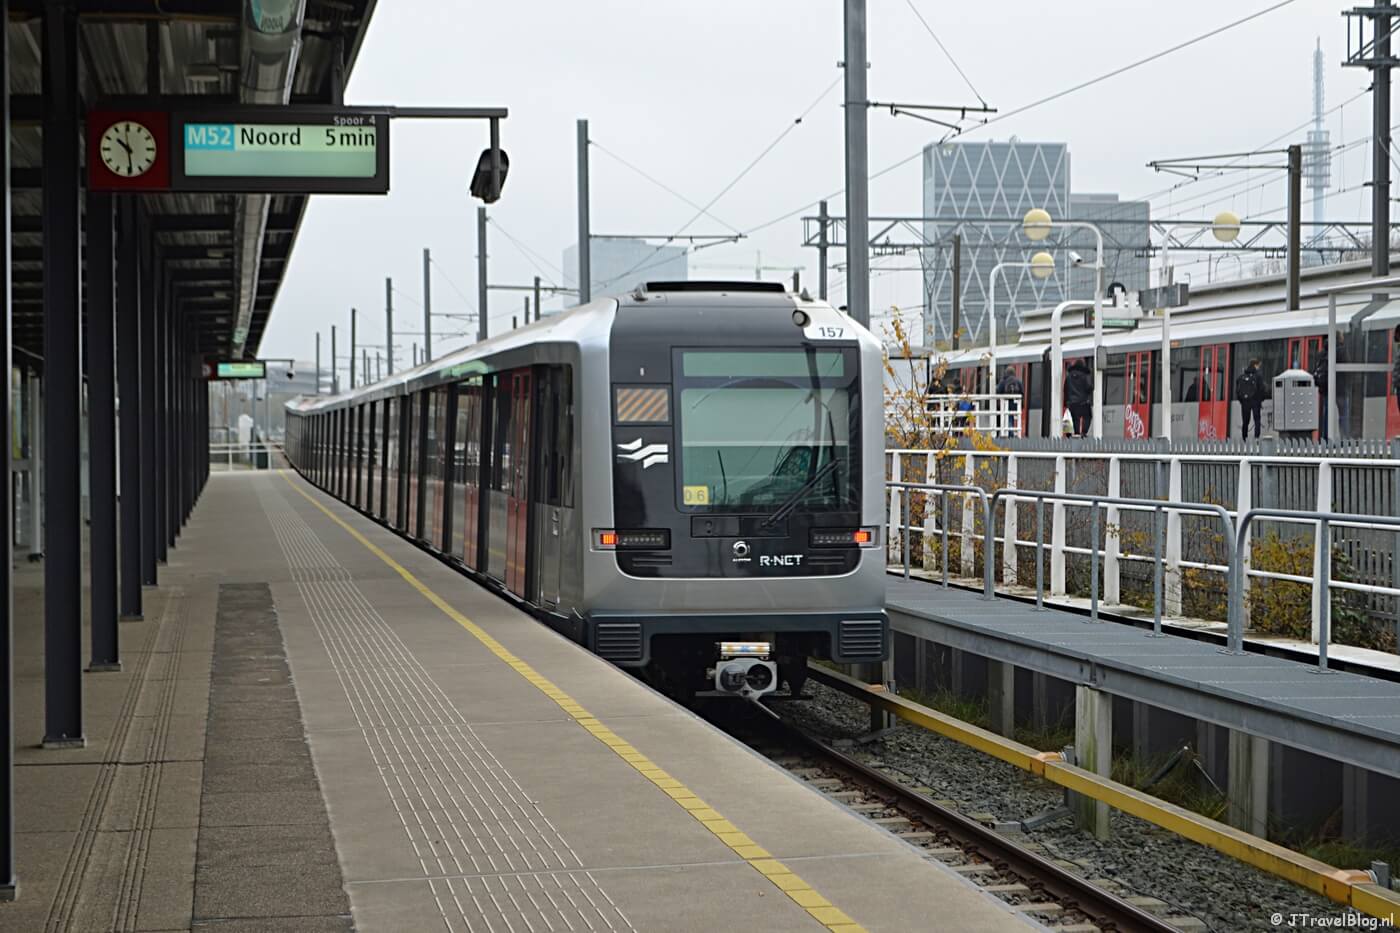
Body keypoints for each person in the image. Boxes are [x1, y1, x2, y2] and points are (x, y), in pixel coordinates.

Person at [1234, 358, 1265, 441]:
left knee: (1245, 421)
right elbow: (1262, 389)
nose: (1259, 367)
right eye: (1258, 365)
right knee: (1257, 420)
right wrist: (1260, 400)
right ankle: (1256, 438)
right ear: (1255, 365)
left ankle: (1244, 438)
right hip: (1255, 401)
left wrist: (1242, 400)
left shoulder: (1242, 377)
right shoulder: (1258, 376)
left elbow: (1237, 391)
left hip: (1245, 402)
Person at [1065, 359, 1093, 437]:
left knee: (1075, 419)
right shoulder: (1085, 375)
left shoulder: (1069, 376)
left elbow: (1065, 389)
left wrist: (1066, 402)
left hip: (1072, 403)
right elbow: (1089, 387)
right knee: (1088, 416)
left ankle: (1075, 434)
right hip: (1083, 402)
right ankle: (1083, 432)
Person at [1311, 341, 1330, 441]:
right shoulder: (1330, 355)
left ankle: (1324, 436)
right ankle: (1326, 437)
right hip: (1329, 388)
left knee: (1326, 412)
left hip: (1323, 388)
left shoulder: (1320, 355)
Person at [996, 366, 1023, 434]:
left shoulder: (1003, 381)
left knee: (1008, 419)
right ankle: (1011, 432)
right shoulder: (1018, 381)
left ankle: (1010, 434)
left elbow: (998, 391)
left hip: (1005, 404)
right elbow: (1022, 392)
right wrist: (1021, 405)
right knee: (1011, 419)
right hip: (1015, 404)